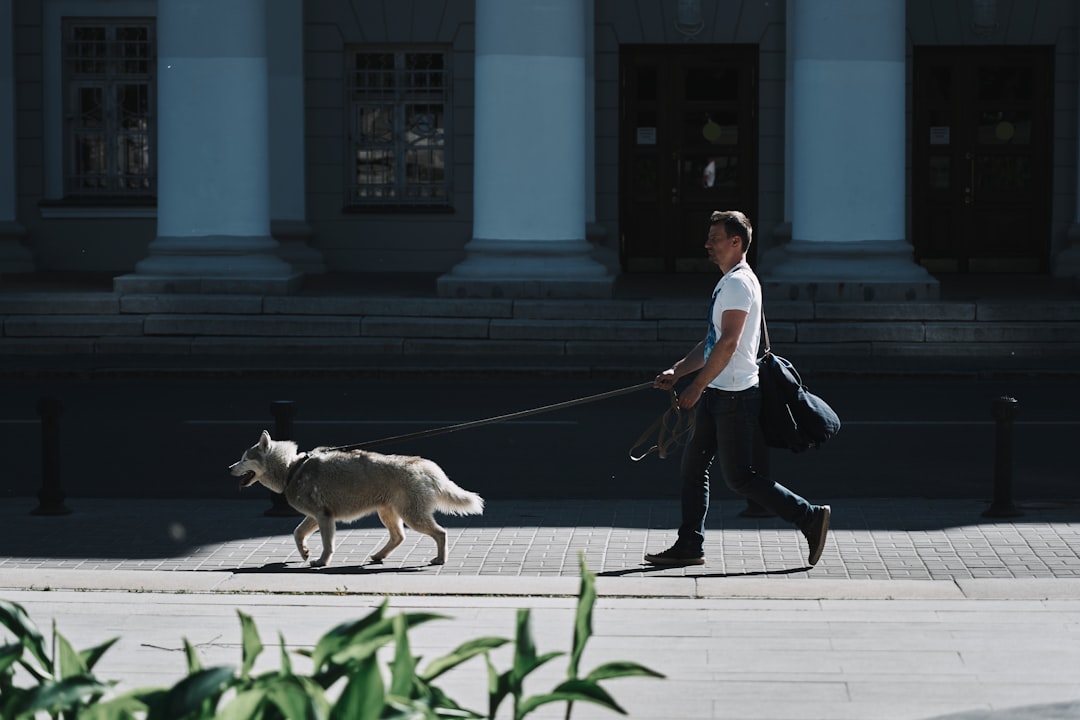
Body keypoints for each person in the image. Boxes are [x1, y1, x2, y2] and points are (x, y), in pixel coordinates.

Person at [645, 210, 831, 567]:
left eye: (715, 238)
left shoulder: (737, 284)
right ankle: (689, 544)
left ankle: (809, 517)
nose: (707, 245)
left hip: (734, 396)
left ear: (736, 242)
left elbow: (728, 343)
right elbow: (715, 341)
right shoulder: (733, 280)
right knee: (693, 468)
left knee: (740, 478)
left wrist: (695, 386)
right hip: (721, 392)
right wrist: (678, 371)